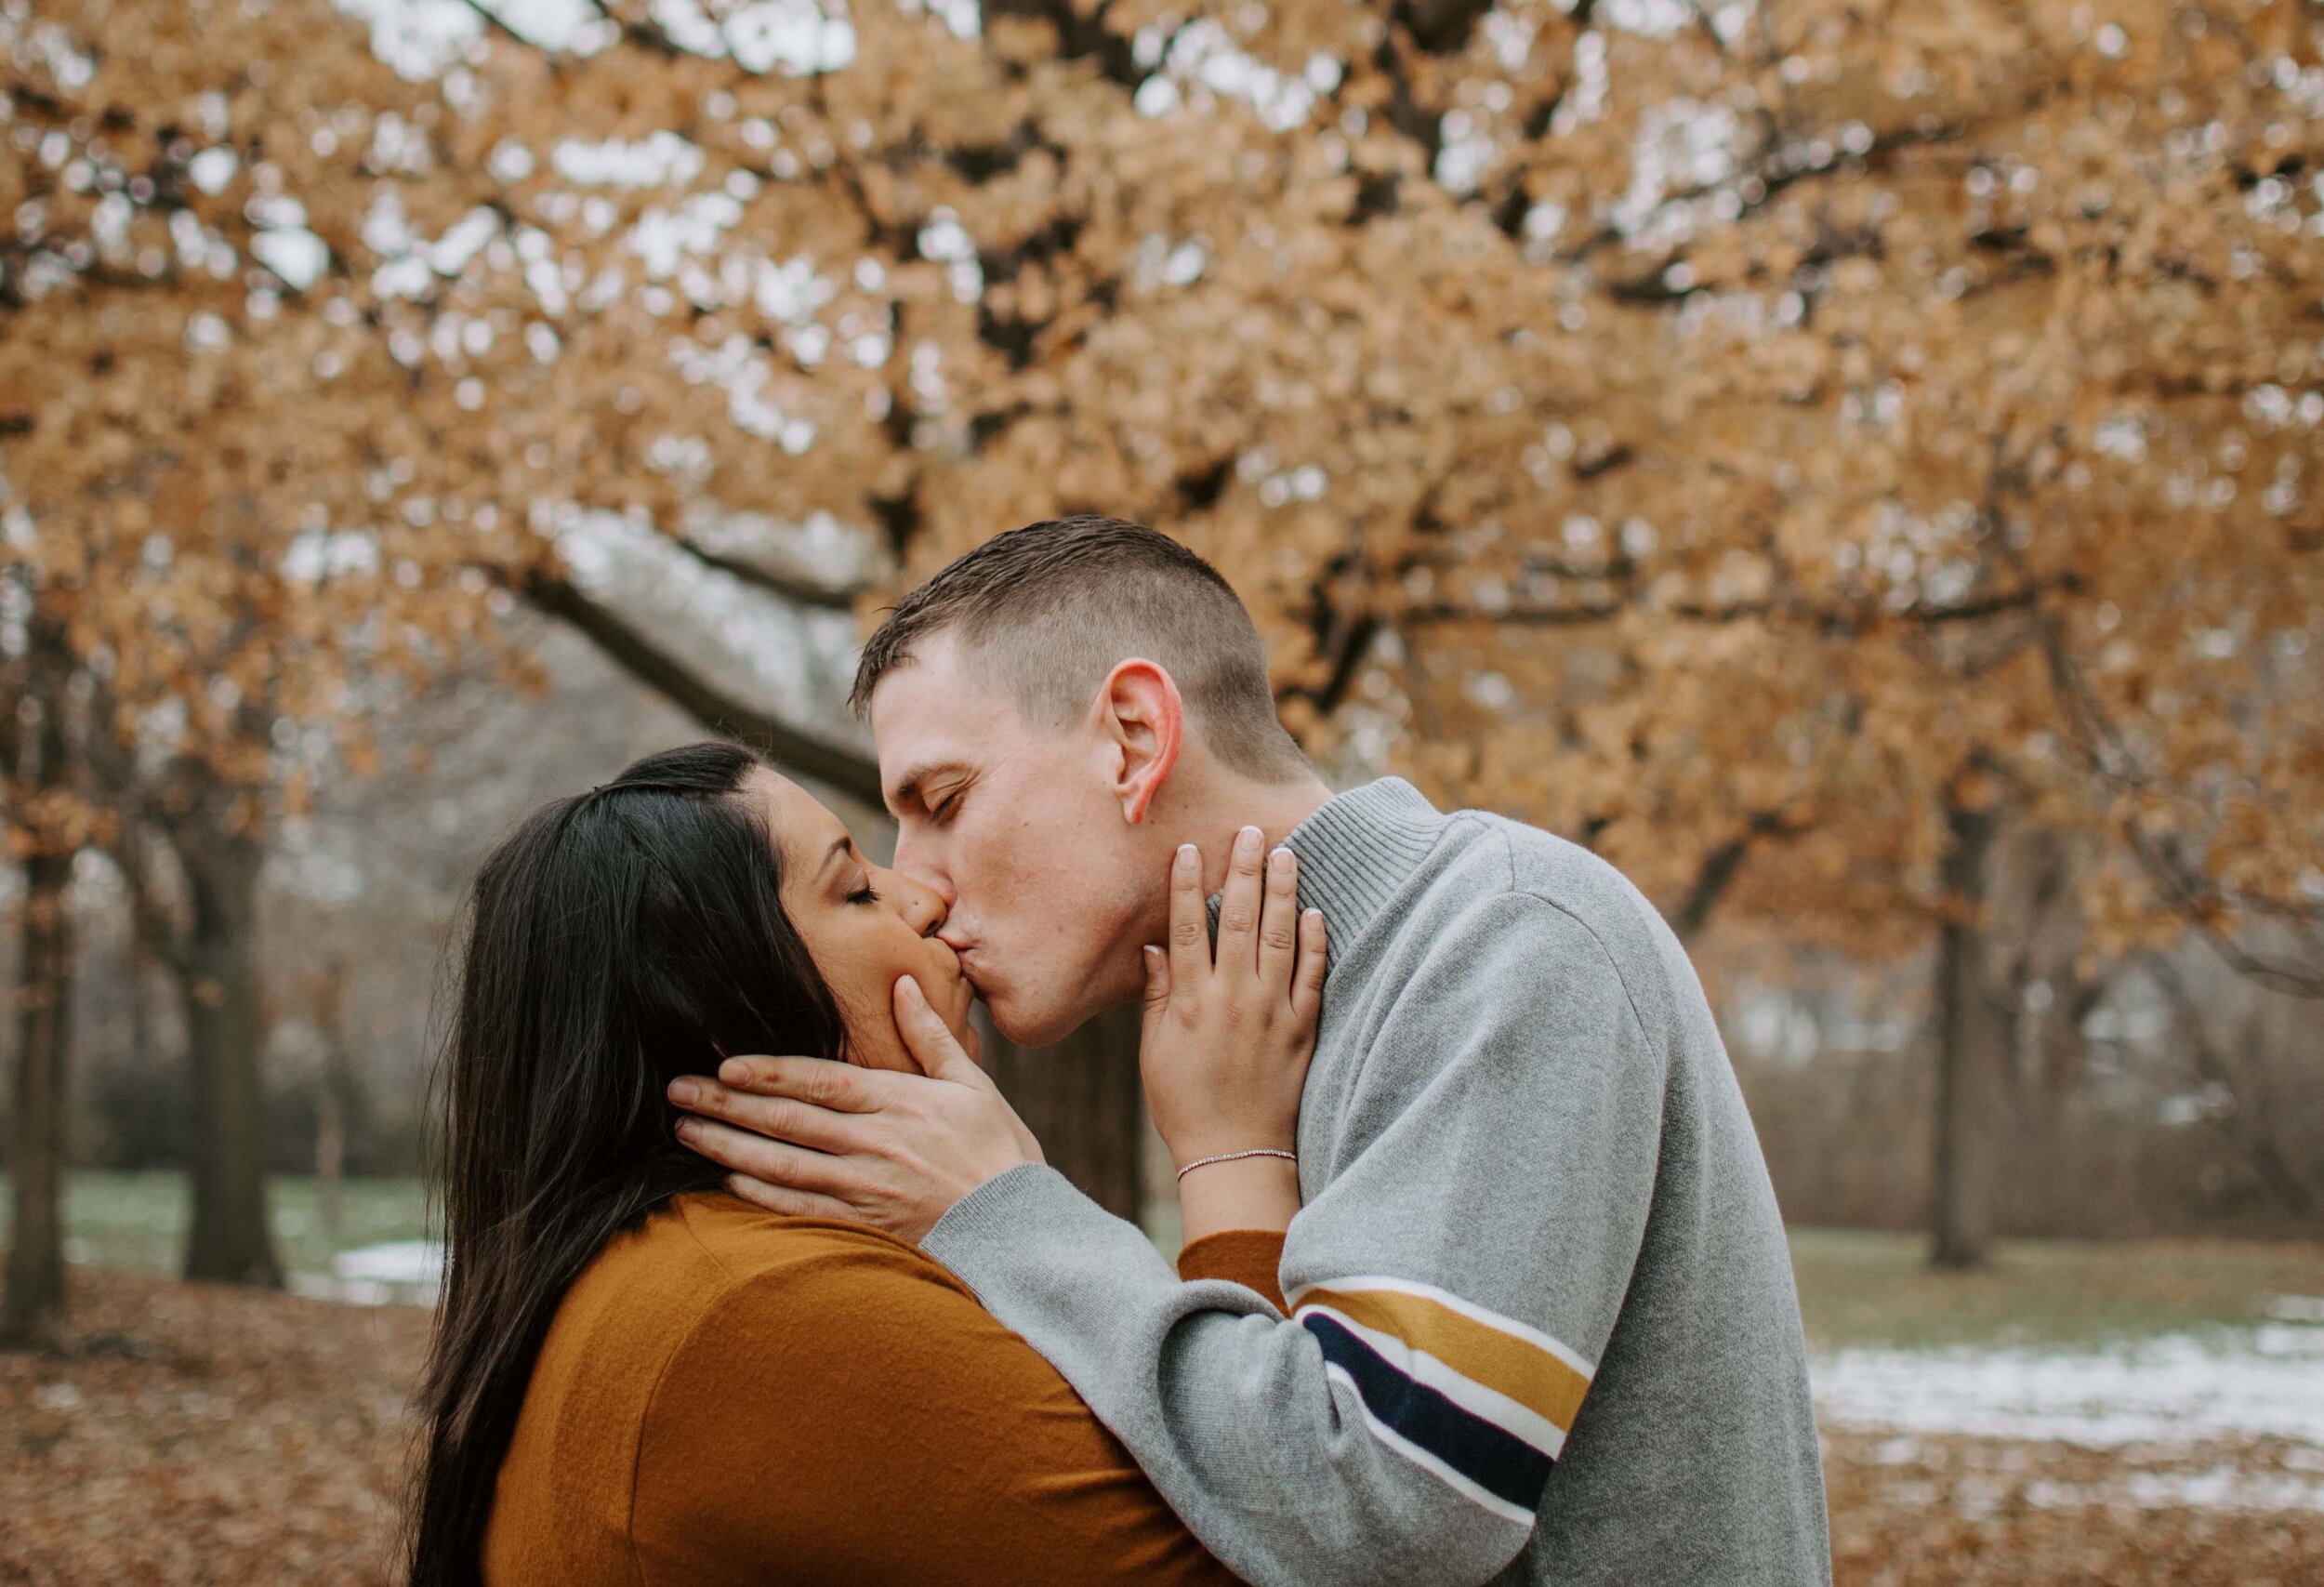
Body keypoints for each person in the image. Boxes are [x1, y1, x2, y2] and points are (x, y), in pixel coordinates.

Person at [672, 517, 1833, 1587]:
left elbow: (1389, 1505)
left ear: (1133, 738)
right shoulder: (1234, 1032)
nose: (915, 882)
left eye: (943, 799)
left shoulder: (1510, 937)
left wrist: (998, 1206)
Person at [407, 739, 1326, 1587]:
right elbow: (1299, 1552)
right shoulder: (762, 1315)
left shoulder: (683, 1276)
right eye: (854, 891)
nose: (922, 898)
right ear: (723, 1012)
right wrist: (1229, 1152)